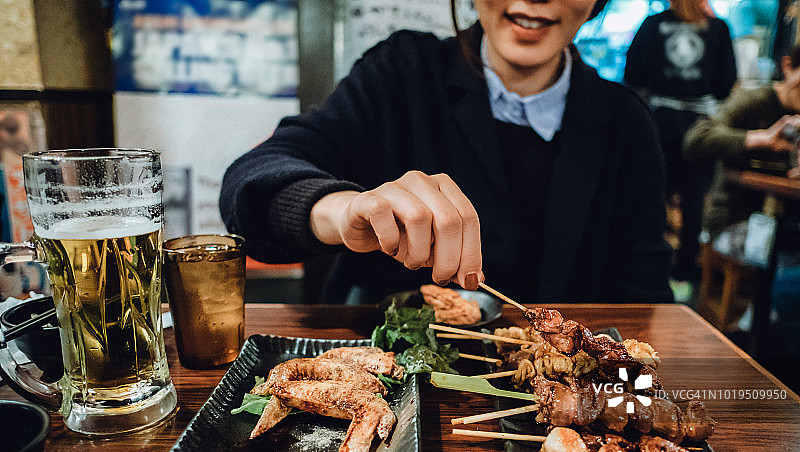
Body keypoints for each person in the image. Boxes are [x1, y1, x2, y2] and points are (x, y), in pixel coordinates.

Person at [220, 0, 674, 305]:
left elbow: (645, 298)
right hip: (395, 393)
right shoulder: (401, 72)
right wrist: (343, 210)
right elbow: (253, 181)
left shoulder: (625, 123)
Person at [624, 0, 737, 287]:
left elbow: (632, 75)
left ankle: (650, 275)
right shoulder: (719, 28)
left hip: (658, 124)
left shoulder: (652, 24)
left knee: (652, 199)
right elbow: (727, 83)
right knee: (694, 203)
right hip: (699, 128)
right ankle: (685, 274)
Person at [684, 45, 800, 238]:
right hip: (736, 220)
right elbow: (694, 140)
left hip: (788, 224)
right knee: (784, 252)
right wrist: (763, 138)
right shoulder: (754, 101)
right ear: (787, 66)